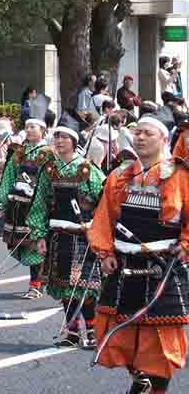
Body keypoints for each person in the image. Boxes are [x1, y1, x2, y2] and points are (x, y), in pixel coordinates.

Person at [87, 115, 189, 394]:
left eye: (148, 133)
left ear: (164, 140)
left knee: (160, 340)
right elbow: (103, 218)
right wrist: (105, 251)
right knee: (122, 333)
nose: (140, 137)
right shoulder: (120, 176)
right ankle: (140, 379)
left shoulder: (180, 175)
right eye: (137, 133)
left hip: (162, 265)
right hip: (124, 263)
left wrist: (186, 244)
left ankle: (152, 387)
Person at [26, 114, 105, 348]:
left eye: (64, 137)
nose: (59, 140)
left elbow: (104, 201)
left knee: (85, 286)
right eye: (56, 136)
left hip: (82, 236)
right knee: (63, 286)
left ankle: (91, 330)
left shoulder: (88, 170)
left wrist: (98, 228)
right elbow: (40, 202)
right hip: (57, 236)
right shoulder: (48, 170)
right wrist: (39, 234)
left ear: (73, 139)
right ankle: (71, 332)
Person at [0, 118, 53, 299]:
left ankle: (35, 285)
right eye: (26, 127)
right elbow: (8, 177)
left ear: (43, 130)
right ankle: (39, 280)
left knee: (36, 242)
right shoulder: (19, 152)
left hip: (38, 204)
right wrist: (4, 201)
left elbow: (50, 180)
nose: (28, 130)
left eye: (33, 127)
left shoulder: (49, 153)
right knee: (23, 243)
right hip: (18, 204)